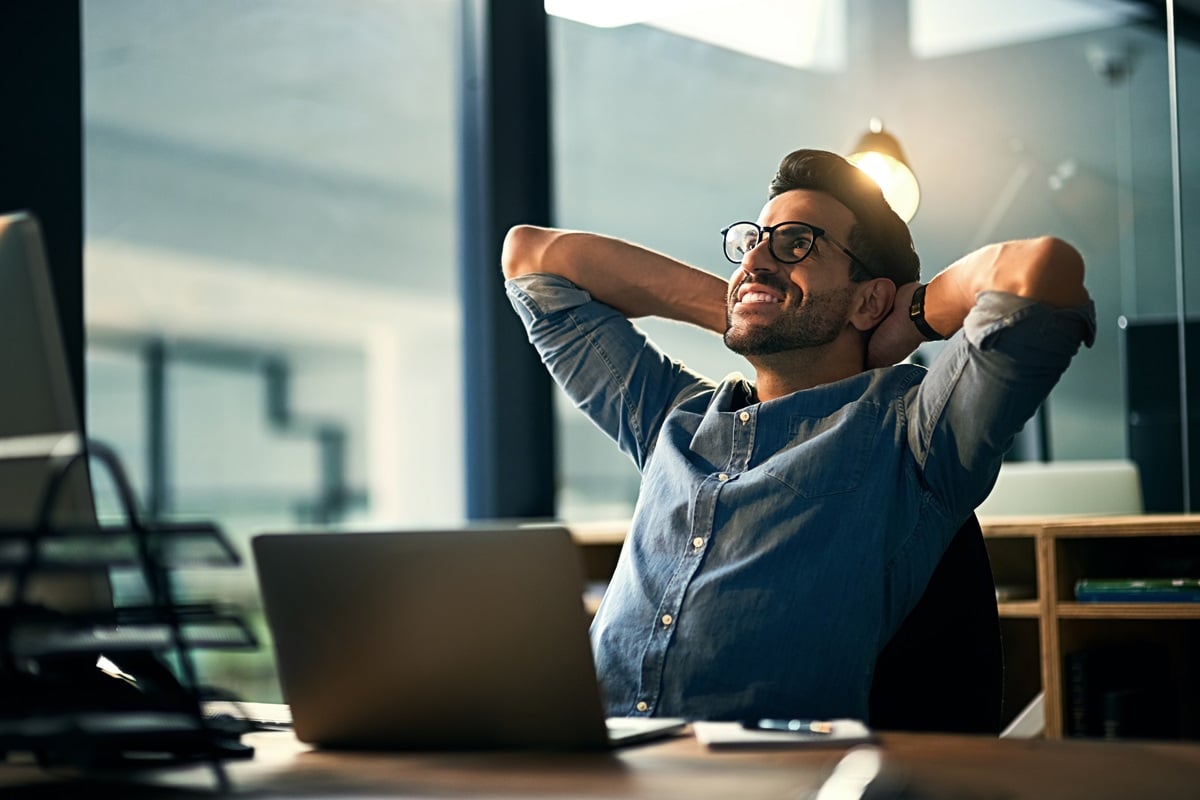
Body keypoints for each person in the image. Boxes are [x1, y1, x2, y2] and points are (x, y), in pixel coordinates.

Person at [501, 148, 1095, 723]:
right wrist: (751, 303)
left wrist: (908, 318)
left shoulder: (912, 433)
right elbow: (534, 258)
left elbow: (1040, 273)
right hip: (590, 762)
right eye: (753, 244)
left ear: (869, 298)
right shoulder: (673, 417)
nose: (755, 260)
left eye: (796, 243)